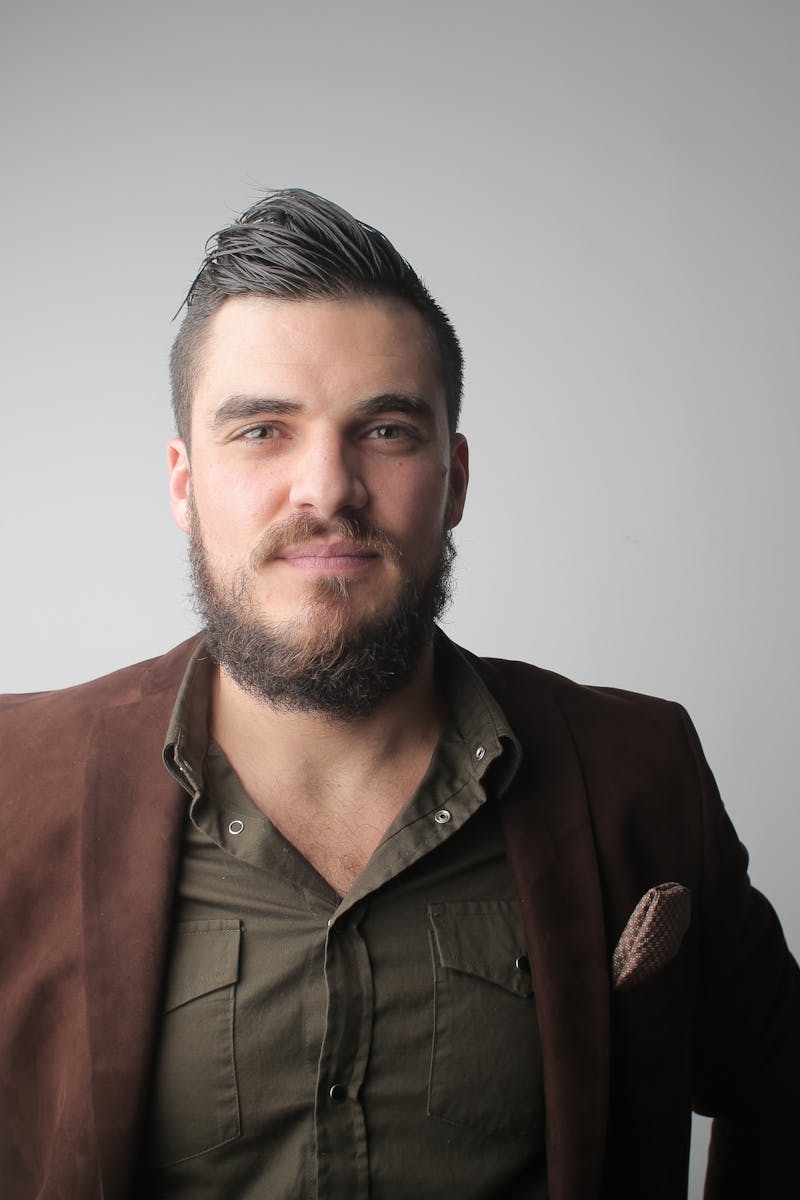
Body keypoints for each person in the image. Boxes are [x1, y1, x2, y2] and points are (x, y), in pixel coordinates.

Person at [1, 189, 798, 1200]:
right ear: (182, 482)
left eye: (383, 430)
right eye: (260, 431)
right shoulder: (12, 787)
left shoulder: (637, 774)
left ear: (453, 478)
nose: (326, 487)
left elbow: (779, 1084)